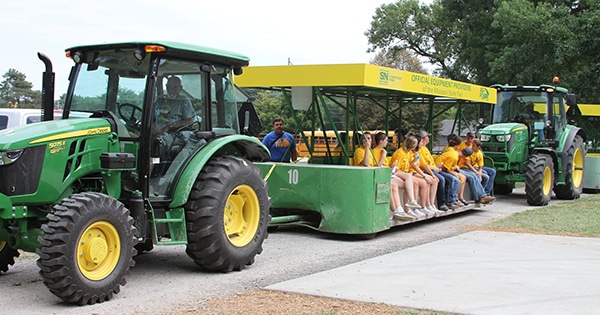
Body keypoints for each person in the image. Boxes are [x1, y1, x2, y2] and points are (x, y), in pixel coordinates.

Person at [390, 136, 425, 218]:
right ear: (413, 146)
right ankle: (412, 201)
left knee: (409, 182)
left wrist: (414, 161)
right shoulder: (400, 153)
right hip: (395, 173)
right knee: (408, 177)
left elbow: (408, 165)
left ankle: (408, 208)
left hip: (403, 173)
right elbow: (395, 169)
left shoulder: (409, 153)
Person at [417, 130, 451, 211]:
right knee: (441, 179)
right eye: (427, 137)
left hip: (433, 169)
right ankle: (441, 203)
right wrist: (433, 170)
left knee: (450, 179)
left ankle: (448, 201)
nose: (429, 138)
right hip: (425, 171)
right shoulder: (420, 149)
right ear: (423, 138)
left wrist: (436, 168)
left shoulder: (425, 148)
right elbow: (423, 164)